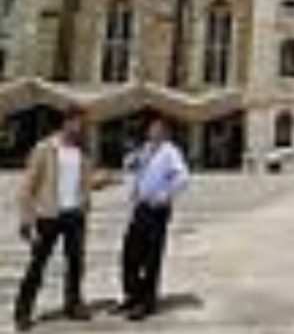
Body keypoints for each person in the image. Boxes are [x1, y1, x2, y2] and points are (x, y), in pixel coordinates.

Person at [14, 106, 111, 332]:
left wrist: (102, 181)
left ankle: (73, 304)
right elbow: (28, 185)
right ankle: (23, 311)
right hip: (49, 215)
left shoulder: (83, 152)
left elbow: (85, 182)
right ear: (66, 122)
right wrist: (25, 218)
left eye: (83, 125)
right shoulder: (45, 148)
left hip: (75, 215)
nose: (80, 128)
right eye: (77, 123)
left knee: (76, 263)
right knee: (38, 264)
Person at [113, 116, 190, 322]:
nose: (152, 132)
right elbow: (129, 165)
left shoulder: (170, 152)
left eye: (157, 129)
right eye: (151, 129)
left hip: (157, 210)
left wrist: (165, 195)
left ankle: (147, 303)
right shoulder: (146, 149)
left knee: (151, 258)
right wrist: (131, 159)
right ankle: (132, 295)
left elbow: (183, 177)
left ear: (165, 132)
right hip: (140, 207)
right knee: (129, 254)